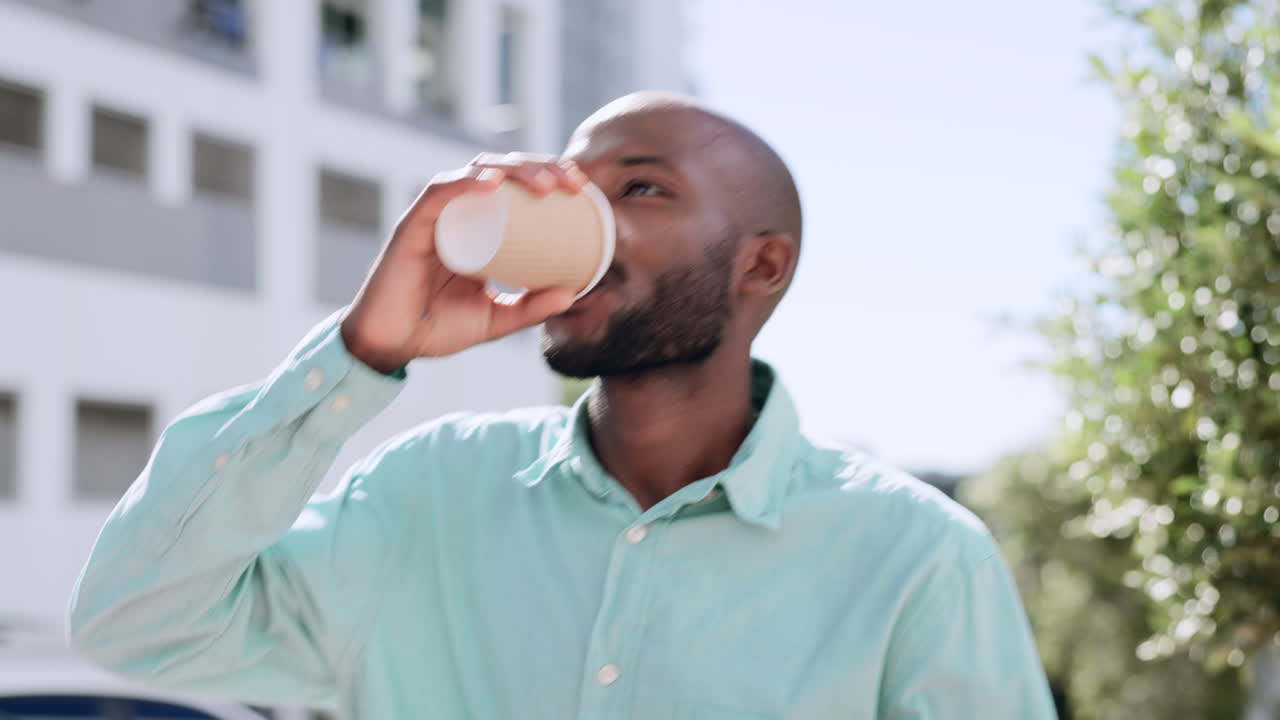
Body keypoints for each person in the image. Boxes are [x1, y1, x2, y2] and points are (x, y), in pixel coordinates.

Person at [68, 92, 1057, 719]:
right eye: (566, 192)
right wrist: (361, 353)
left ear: (761, 263)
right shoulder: (428, 493)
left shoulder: (914, 558)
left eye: (637, 188)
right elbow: (135, 621)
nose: (577, 223)